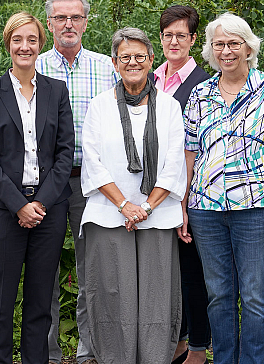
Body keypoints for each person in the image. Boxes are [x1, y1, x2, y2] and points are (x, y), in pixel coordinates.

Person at [182, 12, 264, 364]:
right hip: (205, 210)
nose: (226, 51)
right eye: (219, 44)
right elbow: (189, 153)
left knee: (255, 295)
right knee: (218, 295)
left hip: (256, 207)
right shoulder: (200, 94)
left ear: (248, 47)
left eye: (234, 43)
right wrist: (182, 206)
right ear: (211, 50)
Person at [80, 27, 186, 364]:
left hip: (157, 215)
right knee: (113, 293)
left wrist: (146, 206)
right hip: (108, 215)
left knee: (156, 295)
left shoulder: (169, 107)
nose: (133, 62)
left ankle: (155, 358)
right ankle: (115, 358)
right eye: (125, 57)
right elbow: (93, 161)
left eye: (140, 56)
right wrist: (125, 205)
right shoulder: (99, 106)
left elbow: (173, 163)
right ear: (114, 62)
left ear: (152, 60)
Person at [0, 12, 75, 364]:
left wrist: (40, 203)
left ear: (40, 44)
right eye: (18, 40)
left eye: (31, 39)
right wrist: (19, 205)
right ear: (8, 44)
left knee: (39, 301)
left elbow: (65, 154)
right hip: (3, 211)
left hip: (49, 210)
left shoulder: (56, 91)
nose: (25, 46)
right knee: (0, 302)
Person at [35, 0, 118, 364]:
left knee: (94, 272)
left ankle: (89, 352)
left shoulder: (107, 67)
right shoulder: (32, 66)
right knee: (44, 271)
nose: (69, 24)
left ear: (86, 21)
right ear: (49, 22)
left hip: (95, 184)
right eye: (60, 18)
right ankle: (48, 353)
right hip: (46, 183)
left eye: (76, 17)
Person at [151, 5, 211, 364]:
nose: (174, 41)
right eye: (168, 35)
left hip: (186, 191)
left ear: (192, 39)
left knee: (192, 272)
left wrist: (184, 199)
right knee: (165, 273)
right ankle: (175, 340)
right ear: (161, 39)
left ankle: (197, 346)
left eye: (181, 35)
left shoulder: (203, 83)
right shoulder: (151, 78)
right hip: (152, 191)